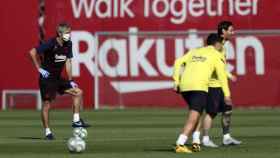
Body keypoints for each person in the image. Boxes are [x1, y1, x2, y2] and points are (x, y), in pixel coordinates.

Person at [29, 22, 90, 140]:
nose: (69, 35)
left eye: (69, 32)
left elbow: (68, 61)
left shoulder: (68, 44)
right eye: (67, 33)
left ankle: (76, 120)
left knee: (78, 92)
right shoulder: (51, 43)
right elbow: (32, 52)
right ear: (60, 33)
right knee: (47, 104)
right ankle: (48, 132)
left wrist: (71, 80)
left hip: (58, 79)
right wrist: (39, 69)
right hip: (47, 79)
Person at [173, 33, 231, 153]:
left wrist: (176, 81)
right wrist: (227, 94)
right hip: (199, 86)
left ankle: (196, 141)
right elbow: (222, 76)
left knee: (198, 112)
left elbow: (178, 62)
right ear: (218, 44)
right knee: (193, 117)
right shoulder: (217, 54)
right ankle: (180, 143)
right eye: (222, 44)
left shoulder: (194, 51)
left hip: (184, 86)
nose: (222, 46)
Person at [192, 21, 242, 147]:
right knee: (211, 112)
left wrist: (228, 75)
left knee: (228, 110)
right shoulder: (215, 45)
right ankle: (205, 139)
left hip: (221, 83)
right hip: (212, 85)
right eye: (230, 30)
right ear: (223, 31)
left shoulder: (223, 45)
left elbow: (221, 66)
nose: (233, 32)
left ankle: (226, 137)